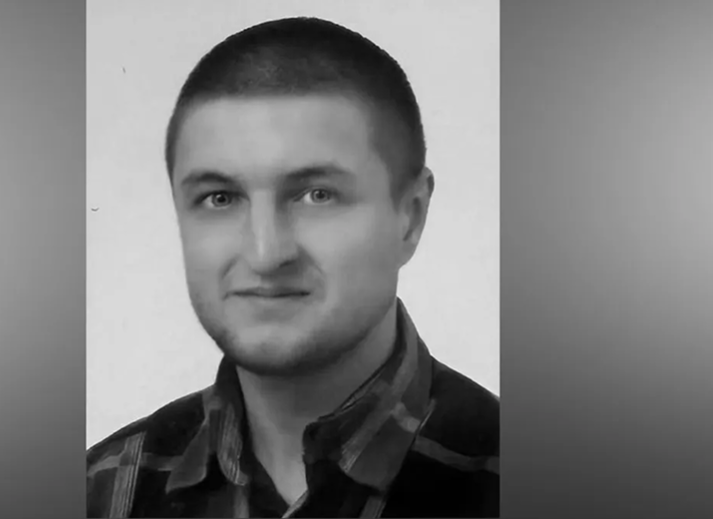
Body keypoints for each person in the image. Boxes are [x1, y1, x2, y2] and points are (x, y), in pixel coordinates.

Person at [87, 16, 499, 518]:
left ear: (409, 218)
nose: (265, 254)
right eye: (220, 197)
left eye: (317, 195)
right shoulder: (97, 492)